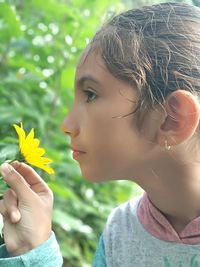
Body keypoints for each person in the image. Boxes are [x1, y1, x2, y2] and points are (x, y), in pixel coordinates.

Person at [1, 1, 200, 266]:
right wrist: (33, 251)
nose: (66, 124)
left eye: (91, 95)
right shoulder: (120, 232)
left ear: (172, 119)